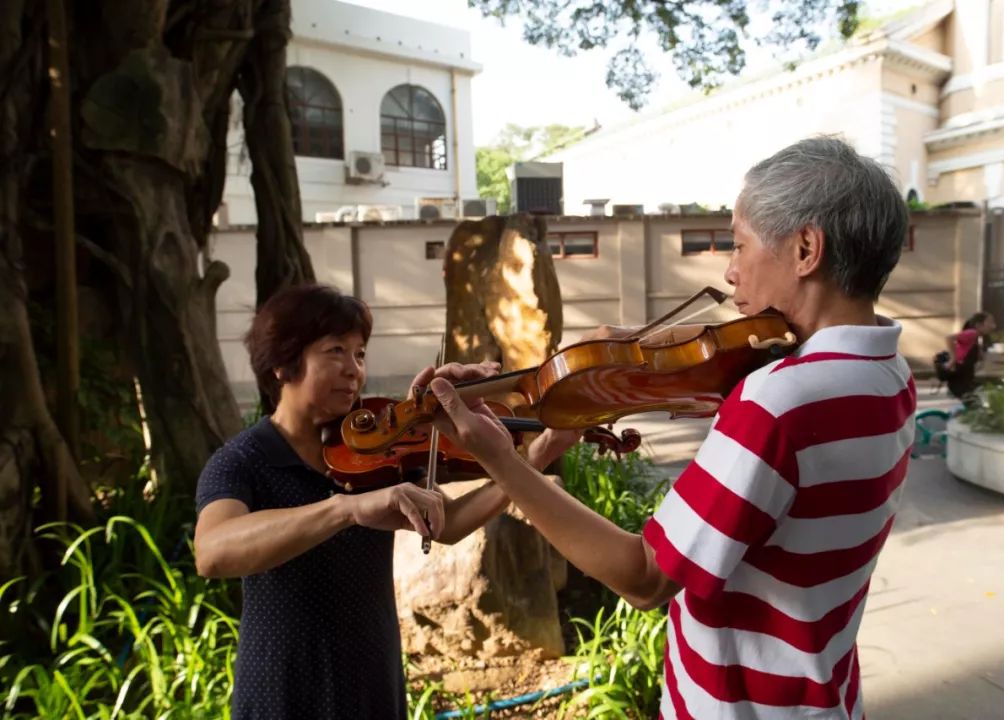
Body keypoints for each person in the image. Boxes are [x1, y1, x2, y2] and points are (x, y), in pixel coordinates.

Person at [430, 137, 917, 719]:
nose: (732, 272)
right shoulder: (888, 374)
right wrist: (628, 363)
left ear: (807, 248)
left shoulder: (780, 401)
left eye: (738, 245)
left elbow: (644, 577)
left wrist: (505, 462)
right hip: (822, 697)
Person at [193, 283, 578, 720]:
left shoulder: (373, 448)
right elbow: (213, 552)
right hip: (283, 685)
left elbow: (445, 524)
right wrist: (345, 508)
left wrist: (531, 459)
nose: (353, 369)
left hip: (370, 680)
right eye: (335, 351)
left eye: (359, 354)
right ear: (283, 365)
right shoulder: (242, 460)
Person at [943, 311, 996, 403]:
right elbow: (949, 338)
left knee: (974, 402)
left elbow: (971, 352)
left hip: (965, 378)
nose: (993, 326)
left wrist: (980, 354)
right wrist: (953, 358)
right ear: (979, 325)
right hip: (960, 380)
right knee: (974, 404)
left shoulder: (975, 338)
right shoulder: (972, 333)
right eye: (990, 322)